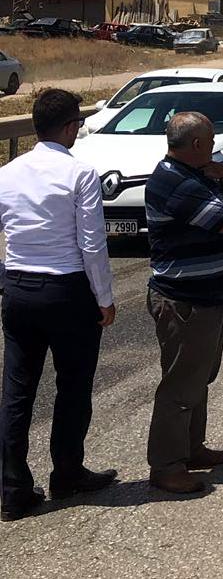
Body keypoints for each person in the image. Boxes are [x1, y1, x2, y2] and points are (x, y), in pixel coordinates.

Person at [0, 89, 117, 521]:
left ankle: (13, 490)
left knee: (16, 391)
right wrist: (104, 297)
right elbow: (91, 242)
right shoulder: (79, 172)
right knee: (72, 385)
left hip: (18, 290)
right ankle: (66, 474)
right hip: (67, 291)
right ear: (70, 126)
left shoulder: (7, 172)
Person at [143, 111, 223, 495]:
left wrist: (221, 180)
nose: (216, 147)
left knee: (199, 376)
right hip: (185, 301)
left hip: (206, 296)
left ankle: (191, 448)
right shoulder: (177, 183)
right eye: (211, 140)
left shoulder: (192, 175)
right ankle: (167, 466)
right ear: (198, 145)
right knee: (181, 383)